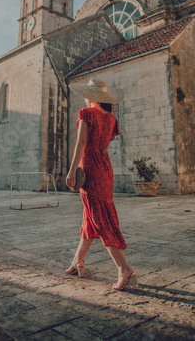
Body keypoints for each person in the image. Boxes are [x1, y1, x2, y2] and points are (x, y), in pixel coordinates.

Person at [66, 78, 138, 291]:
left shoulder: (86, 114)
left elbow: (81, 143)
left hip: (90, 169)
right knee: (91, 217)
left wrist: (71, 170)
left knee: (99, 218)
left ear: (91, 96)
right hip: (105, 168)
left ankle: (124, 268)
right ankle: (77, 261)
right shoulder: (112, 118)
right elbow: (102, 143)